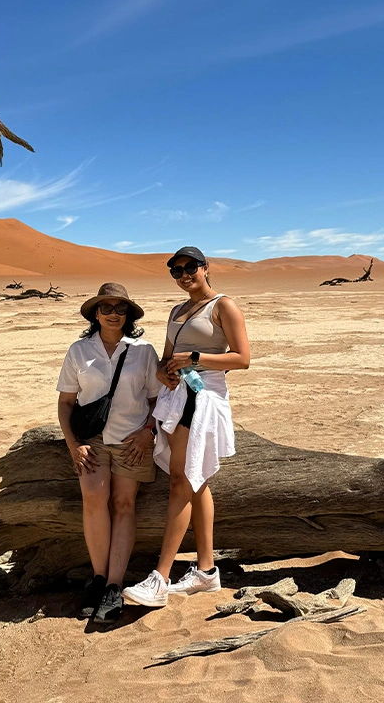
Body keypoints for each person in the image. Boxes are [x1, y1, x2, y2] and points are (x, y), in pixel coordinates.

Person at [122, 247, 250, 607]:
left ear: (206, 268)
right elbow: (165, 360)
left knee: (182, 479)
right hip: (177, 398)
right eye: (176, 270)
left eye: (190, 267)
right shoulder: (177, 311)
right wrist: (165, 373)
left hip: (204, 396)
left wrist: (196, 359)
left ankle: (160, 578)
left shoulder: (224, 306)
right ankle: (206, 572)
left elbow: (242, 358)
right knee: (196, 481)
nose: (183, 274)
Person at [57, 282, 162, 624]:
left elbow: (156, 400)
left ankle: (115, 585)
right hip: (92, 439)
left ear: (128, 314)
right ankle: (99, 578)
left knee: (123, 504)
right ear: (95, 313)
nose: (114, 314)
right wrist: (74, 445)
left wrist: (149, 432)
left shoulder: (143, 350)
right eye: (106, 308)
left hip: (134, 439)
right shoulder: (79, 350)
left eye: (120, 308)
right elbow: (65, 403)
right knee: (93, 497)